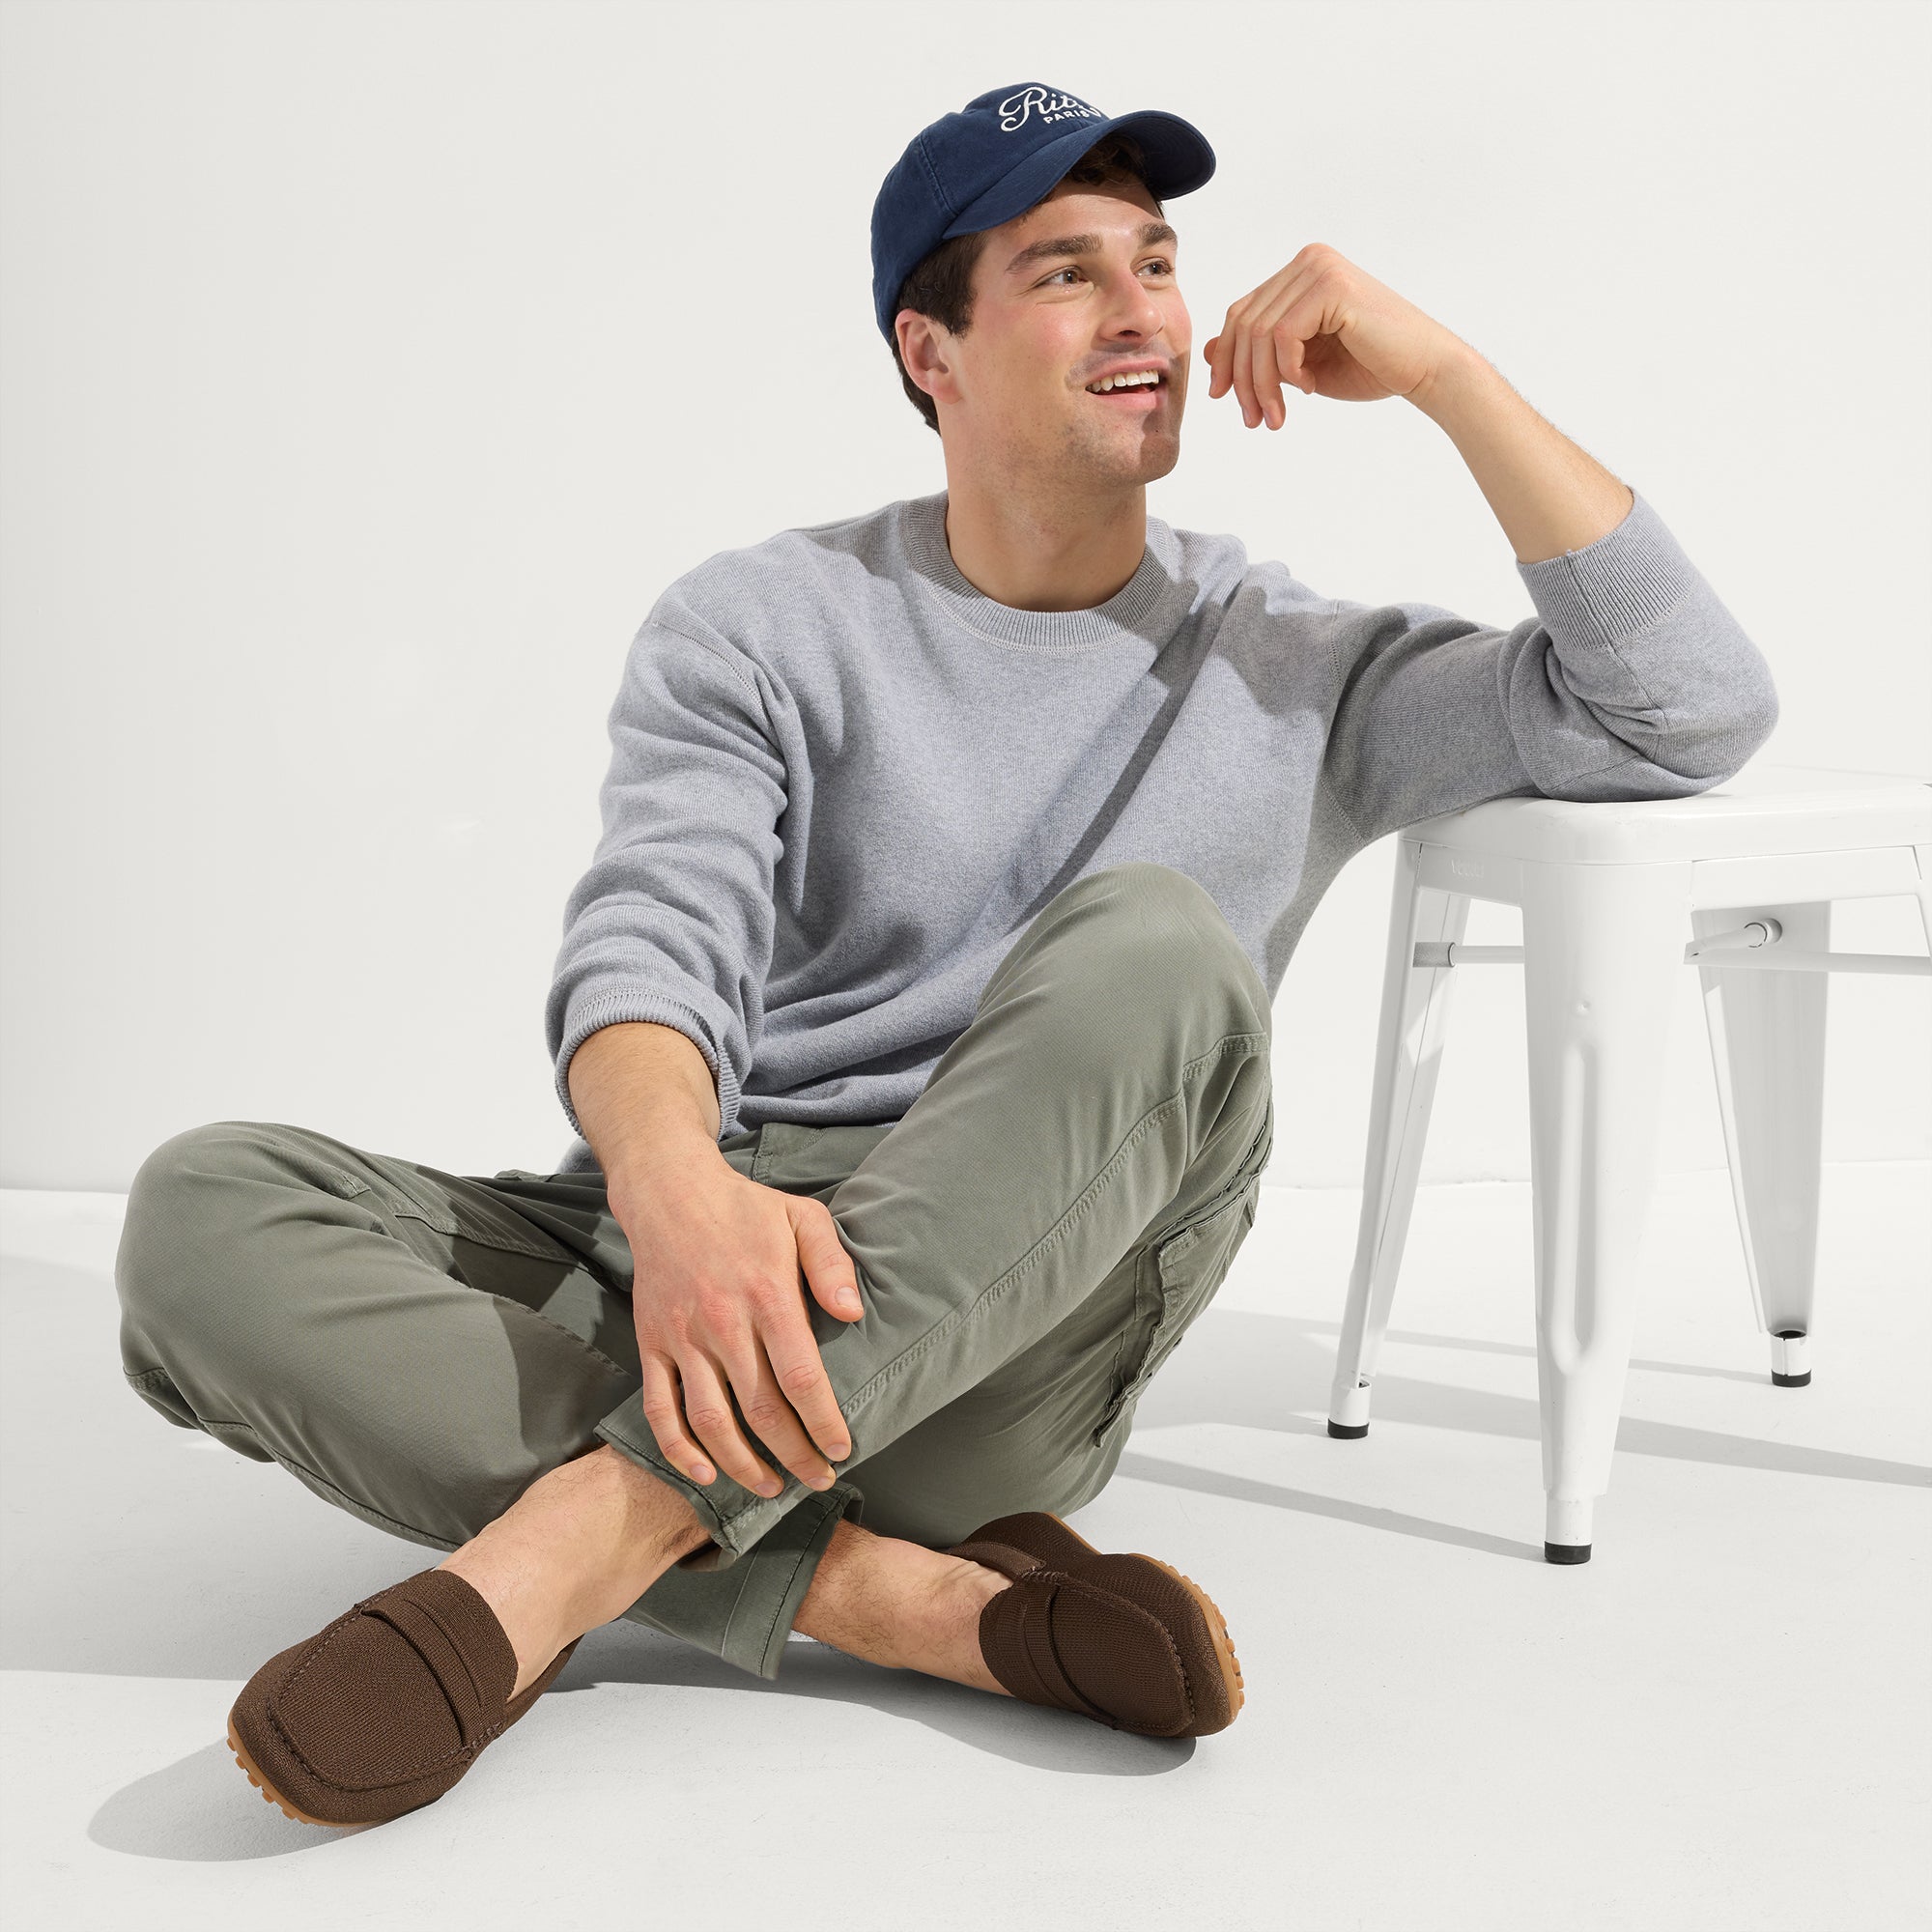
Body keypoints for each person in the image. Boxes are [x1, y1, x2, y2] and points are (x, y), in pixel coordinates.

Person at [113, 80, 1778, 1828]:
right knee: (203, 1209)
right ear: (931, 351)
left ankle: (583, 1538)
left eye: (1157, 264)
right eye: (1068, 273)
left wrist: (1449, 376)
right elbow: (653, 932)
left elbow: (1690, 705)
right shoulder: (763, 622)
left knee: (1160, 941)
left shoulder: (1301, 663)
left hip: (1018, 1322)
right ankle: (899, 1598)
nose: (1143, 312)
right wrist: (675, 1196)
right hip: (733, 1265)